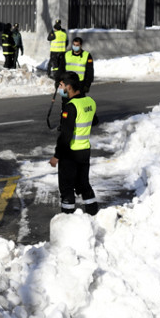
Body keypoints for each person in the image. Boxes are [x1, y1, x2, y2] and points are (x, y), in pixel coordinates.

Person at [49, 72, 98, 215]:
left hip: (70, 154)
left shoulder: (71, 107)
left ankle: (67, 219)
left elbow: (66, 136)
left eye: (61, 85)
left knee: (67, 188)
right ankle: (93, 214)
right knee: (83, 184)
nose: (59, 88)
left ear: (69, 87)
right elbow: (94, 121)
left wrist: (57, 156)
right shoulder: (90, 102)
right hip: (84, 151)